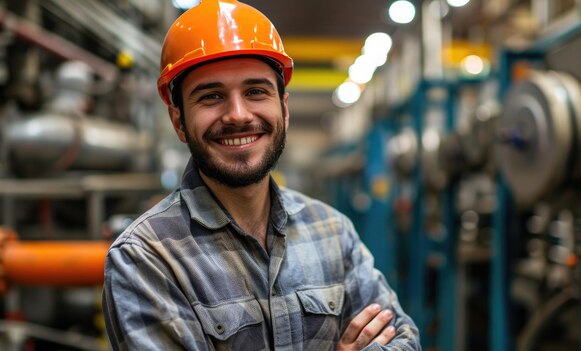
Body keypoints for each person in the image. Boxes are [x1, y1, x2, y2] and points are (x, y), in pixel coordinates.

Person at [102, 0, 421, 350]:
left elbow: (402, 340)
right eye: (211, 97)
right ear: (179, 121)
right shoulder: (146, 258)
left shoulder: (332, 231)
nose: (238, 115)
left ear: (283, 108)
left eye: (255, 92)